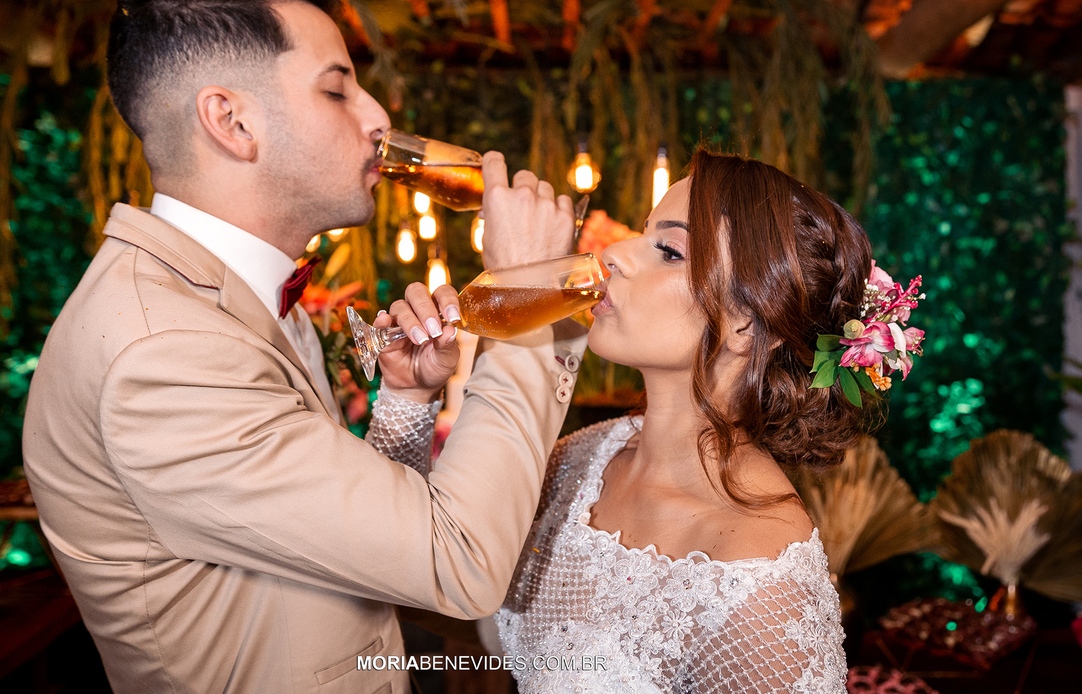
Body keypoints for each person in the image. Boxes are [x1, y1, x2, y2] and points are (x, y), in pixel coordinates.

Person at [22, 0, 585, 694]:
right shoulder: (164, 353)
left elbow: (348, 542)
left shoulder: (226, 296)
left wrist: (406, 402)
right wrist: (528, 294)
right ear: (232, 121)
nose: (378, 118)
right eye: (337, 89)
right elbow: (459, 562)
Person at [371, 150, 874, 692]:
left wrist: (516, 284)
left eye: (669, 251)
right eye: (642, 231)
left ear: (747, 327)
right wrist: (409, 396)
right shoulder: (579, 463)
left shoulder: (761, 583)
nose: (612, 254)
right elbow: (425, 579)